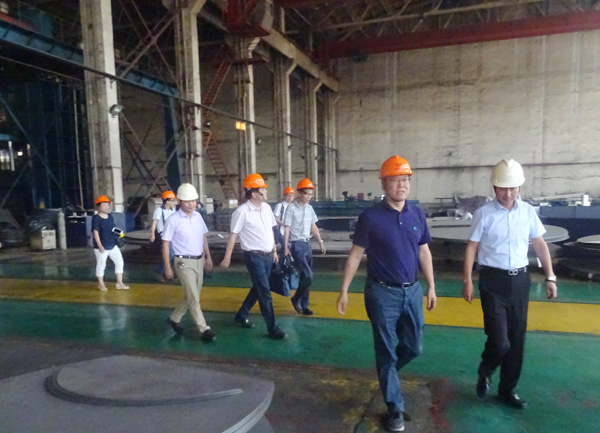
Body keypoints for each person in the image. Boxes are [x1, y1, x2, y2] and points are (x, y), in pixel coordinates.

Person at [336, 156, 437, 432]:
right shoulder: (370, 218)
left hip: (412, 291)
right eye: (396, 180)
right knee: (385, 350)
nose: (402, 185)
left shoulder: (416, 214)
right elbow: (355, 256)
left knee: (414, 347)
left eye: (406, 180)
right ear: (384, 184)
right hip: (382, 293)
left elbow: (424, 252)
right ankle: (395, 408)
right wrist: (344, 291)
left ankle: (387, 372)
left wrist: (431, 286)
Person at [462, 159, 558, 409]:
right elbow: (472, 247)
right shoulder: (484, 214)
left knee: (516, 341)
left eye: (513, 188)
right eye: (503, 188)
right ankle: (486, 368)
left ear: (519, 187)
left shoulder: (527, 212)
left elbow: (539, 244)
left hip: (520, 281)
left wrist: (550, 276)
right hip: (492, 281)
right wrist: (467, 281)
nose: (508, 193)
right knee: (500, 339)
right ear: (494, 187)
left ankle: (507, 390)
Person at [220, 173, 286, 340]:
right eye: (263, 189)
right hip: (253, 257)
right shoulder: (241, 212)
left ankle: (242, 314)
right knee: (265, 291)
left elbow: (270, 231)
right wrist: (227, 257)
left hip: (268, 256)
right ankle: (273, 328)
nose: (266, 191)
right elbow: (233, 236)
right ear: (255, 193)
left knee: (258, 288)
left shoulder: (267, 208)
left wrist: (274, 251)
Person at [161, 183, 215, 342]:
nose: (191, 204)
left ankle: (174, 318)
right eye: (187, 201)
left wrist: (208, 256)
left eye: (193, 201)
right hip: (183, 262)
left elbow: (203, 237)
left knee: (192, 294)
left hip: (199, 260)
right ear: (179, 201)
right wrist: (167, 267)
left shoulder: (198, 217)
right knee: (193, 297)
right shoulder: (173, 220)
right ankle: (204, 329)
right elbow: (165, 244)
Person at [283, 178, 325, 315]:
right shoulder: (291, 208)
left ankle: (304, 305)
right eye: (307, 194)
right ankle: (296, 299)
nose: (309, 197)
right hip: (297, 245)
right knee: (308, 275)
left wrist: (320, 241)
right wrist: (286, 246)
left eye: (311, 194)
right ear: (300, 193)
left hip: (307, 244)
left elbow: (313, 226)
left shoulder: (309, 209)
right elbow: (287, 228)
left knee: (305, 276)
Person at [92, 195, 129, 292]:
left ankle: (119, 283)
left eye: (107, 205)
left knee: (119, 262)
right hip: (102, 246)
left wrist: (119, 233)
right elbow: (95, 232)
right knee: (101, 265)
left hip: (112, 244)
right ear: (99, 206)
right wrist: (99, 245)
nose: (107, 207)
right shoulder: (96, 218)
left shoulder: (110, 217)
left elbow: (112, 229)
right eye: (104, 205)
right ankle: (101, 284)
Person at [149, 190, 177, 281]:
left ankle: (168, 273)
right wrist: (152, 235)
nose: (173, 202)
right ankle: (160, 271)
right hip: (163, 235)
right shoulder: (159, 210)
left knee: (174, 254)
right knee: (170, 254)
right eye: (171, 201)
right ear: (166, 201)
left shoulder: (173, 210)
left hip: (172, 235)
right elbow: (154, 223)